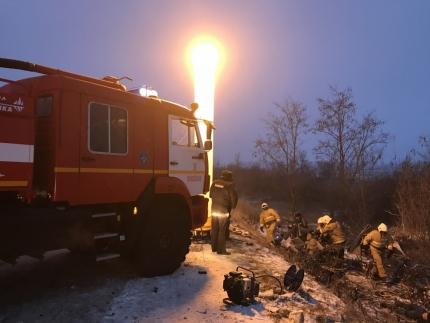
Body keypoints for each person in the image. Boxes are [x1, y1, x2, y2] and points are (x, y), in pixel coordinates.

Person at [209, 170, 238, 255]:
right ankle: (221, 250)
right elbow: (233, 200)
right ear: (229, 177)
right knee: (222, 230)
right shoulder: (229, 185)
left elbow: (210, 195)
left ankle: (213, 247)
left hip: (214, 210)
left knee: (214, 229)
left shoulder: (214, 183)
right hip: (223, 212)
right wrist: (232, 206)